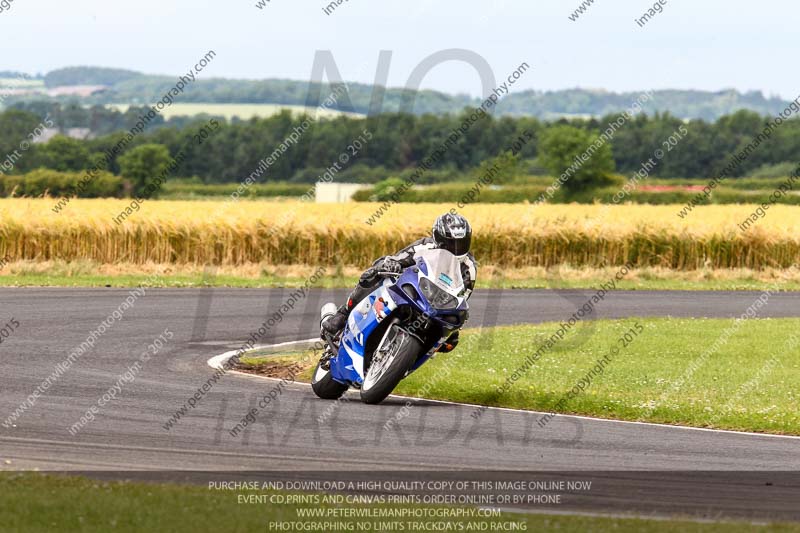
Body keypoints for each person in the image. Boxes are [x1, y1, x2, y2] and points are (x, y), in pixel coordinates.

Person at [321, 213, 477, 353]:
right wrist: (392, 264)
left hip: (435, 305)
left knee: (449, 341)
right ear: (438, 238)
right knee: (372, 274)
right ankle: (342, 316)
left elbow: (462, 298)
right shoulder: (425, 246)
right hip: (412, 288)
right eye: (450, 243)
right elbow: (399, 257)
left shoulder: (469, 268)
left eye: (461, 243)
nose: (455, 248)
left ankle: (403, 361)